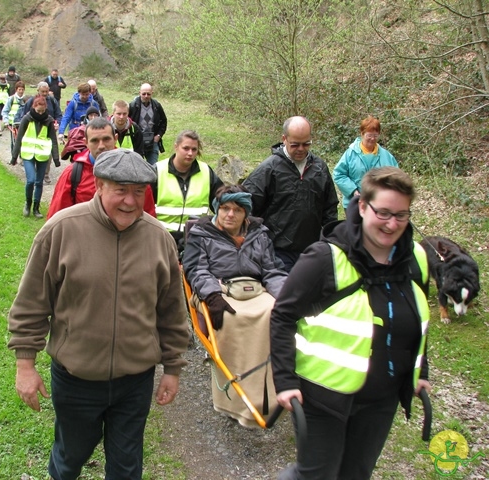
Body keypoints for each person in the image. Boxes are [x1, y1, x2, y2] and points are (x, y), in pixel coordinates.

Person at [8, 148, 189, 480]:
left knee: (126, 466)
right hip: (76, 380)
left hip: (134, 383)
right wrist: (25, 365)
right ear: (100, 185)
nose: (130, 201)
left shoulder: (159, 239)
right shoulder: (60, 231)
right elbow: (32, 303)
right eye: (121, 190)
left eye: (139, 192)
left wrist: (173, 368)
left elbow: (172, 312)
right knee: (69, 458)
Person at [270, 167, 431, 480]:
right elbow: (283, 315)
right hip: (323, 395)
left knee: (357, 474)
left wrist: (420, 372)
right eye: (383, 212)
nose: (392, 223)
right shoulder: (325, 258)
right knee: (316, 474)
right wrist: (285, 381)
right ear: (361, 206)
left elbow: (418, 321)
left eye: (401, 214)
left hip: (381, 400)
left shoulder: (417, 260)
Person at [183, 184, 288, 428]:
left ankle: (267, 392)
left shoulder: (259, 234)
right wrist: (212, 296)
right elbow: (196, 269)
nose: (230, 214)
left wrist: (285, 299)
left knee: (276, 315)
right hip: (218, 289)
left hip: (255, 289)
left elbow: (272, 270)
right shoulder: (201, 234)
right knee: (230, 320)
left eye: (237, 210)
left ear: (246, 214)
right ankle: (231, 397)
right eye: (225, 209)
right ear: (217, 209)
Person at [243, 116, 339, 272]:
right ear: (284, 139)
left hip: (312, 249)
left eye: (306, 144)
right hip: (277, 250)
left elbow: (330, 209)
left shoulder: (319, 168)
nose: (301, 149)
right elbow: (247, 206)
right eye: (295, 144)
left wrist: (330, 241)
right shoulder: (269, 169)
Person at [47, 117, 157, 219]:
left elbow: (148, 217)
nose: (101, 146)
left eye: (106, 139)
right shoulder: (73, 174)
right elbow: (57, 217)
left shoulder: (134, 172)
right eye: (95, 141)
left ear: (115, 139)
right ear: (86, 142)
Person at [152, 130, 224, 250]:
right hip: (161, 239)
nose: (190, 153)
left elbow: (222, 203)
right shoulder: (158, 171)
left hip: (196, 240)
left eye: (194, 149)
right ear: (176, 147)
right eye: (186, 148)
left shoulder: (206, 172)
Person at [333, 116, 399, 212]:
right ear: (362, 134)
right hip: (354, 204)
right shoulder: (350, 154)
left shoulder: (386, 156)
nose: (372, 139)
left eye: (375, 136)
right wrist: (353, 191)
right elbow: (339, 174)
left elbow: (396, 177)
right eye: (369, 135)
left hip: (379, 205)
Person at [10, 96, 60, 218]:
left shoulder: (48, 121)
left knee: (39, 182)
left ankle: (36, 208)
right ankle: (28, 204)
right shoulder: (27, 119)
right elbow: (19, 138)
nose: (40, 113)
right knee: (31, 180)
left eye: (43, 111)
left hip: (42, 155)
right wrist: (14, 156)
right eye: (38, 111)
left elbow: (53, 140)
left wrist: (56, 158)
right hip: (28, 154)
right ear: (34, 107)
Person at [19, 82, 64, 184]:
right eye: (42, 91)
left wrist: (58, 124)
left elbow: (59, 114)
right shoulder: (31, 101)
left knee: (48, 152)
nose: (45, 93)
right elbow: (23, 116)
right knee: (34, 151)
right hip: (33, 131)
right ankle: (34, 173)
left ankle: (45, 174)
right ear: (38, 91)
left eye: (46, 91)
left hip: (48, 129)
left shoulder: (52, 101)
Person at [128, 83, 167, 165]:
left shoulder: (157, 106)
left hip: (153, 141)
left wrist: (159, 135)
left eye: (148, 94)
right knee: (137, 167)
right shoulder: (132, 106)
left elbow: (164, 121)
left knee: (153, 168)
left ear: (152, 93)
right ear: (139, 93)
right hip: (138, 141)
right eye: (144, 94)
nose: (146, 96)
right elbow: (127, 121)